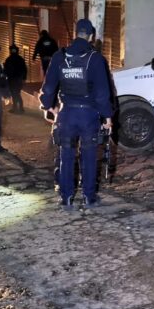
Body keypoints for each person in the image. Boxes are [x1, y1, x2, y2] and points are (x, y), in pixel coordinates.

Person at [39, 19, 113, 210]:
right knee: (89, 156)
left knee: (66, 156)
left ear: (75, 33)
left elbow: (48, 87)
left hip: (67, 114)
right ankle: (89, 197)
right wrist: (107, 117)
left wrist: (48, 106)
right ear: (91, 36)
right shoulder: (95, 58)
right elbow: (102, 93)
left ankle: (66, 198)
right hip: (89, 115)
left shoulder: (59, 56)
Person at [4, 44, 27, 113]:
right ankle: (19, 108)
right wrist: (24, 78)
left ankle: (16, 108)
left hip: (13, 80)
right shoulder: (20, 59)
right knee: (17, 93)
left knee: (15, 94)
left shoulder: (9, 59)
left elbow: (6, 70)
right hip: (18, 79)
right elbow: (25, 69)